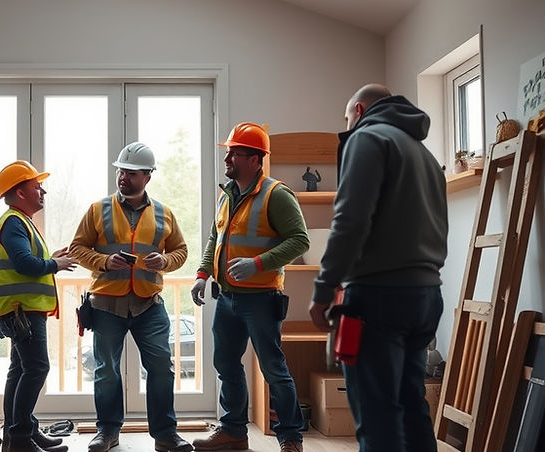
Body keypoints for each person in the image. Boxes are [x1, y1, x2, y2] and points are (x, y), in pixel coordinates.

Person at [308, 84, 447, 452]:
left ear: (359, 108)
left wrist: (324, 290)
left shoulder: (367, 138)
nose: (348, 125)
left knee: (377, 417)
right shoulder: (425, 155)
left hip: (378, 297)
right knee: (411, 408)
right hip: (427, 295)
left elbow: (350, 221)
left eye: (347, 117)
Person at [191, 122, 309, 452]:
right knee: (226, 365)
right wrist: (203, 274)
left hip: (260, 299)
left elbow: (300, 240)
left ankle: (290, 439)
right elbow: (216, 237)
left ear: (255, 160)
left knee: (273, 369)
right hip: (226, 298)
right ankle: (233, 432)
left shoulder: (277, 194)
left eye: (235, 153)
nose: (227, 158)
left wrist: (257, 264)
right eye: (228, 152)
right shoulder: (227, 195)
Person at [70, 142, 193, 452]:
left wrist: (164, 261)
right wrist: (104, 261)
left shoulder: (164, 213)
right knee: (106, 371)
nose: (123, 177)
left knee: (162, 367)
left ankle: (165, 434)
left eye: (132, 173)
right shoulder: (98, 210)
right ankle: (108, 432)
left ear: (147, 177)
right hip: (106, 304)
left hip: (149, 305)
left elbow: (181, 251)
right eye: (121, 171)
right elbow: (77, 249)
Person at [0, 160, 76, 452]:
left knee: (20, 369)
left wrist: (52, 257)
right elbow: (25, 264)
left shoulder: (20, 222)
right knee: (37, 368)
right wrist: (56, 264)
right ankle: (22, 438)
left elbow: (26, 260)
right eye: (37, 186)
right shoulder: (13, 222)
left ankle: (19, 436)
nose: (43, 192)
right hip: (20, 310)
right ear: (20, 192)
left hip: (20, 309)